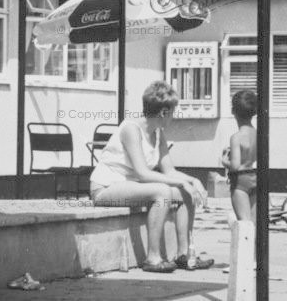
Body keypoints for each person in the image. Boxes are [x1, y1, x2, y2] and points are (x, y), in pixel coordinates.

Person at [89, 81, 213, 273]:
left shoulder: (157, 133)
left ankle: (184, 254)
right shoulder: (131, 128)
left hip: (130, 186)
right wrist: (182, 182)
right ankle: (153, 258)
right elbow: (142, 173)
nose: (174, 116)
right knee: (163, 191)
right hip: (106, 187)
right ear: (164, 112)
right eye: (173, 111)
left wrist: (193, 181)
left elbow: (169, 170)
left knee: (183, 192)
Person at [221, 90, 257, 224]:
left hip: (240, 181)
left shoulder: (236, 137)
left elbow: (235, 165)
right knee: (254, 223)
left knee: (244, 225)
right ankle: (255, 246)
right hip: (256, 177)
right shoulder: (258, 134)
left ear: (233, 111)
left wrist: (225, 161)